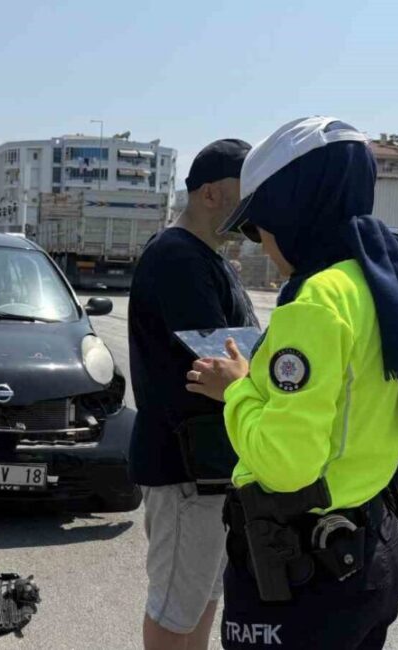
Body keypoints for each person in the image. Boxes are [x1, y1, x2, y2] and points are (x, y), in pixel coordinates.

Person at [187, 117, 398, 649]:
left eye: (257, 225)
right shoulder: (383, 274)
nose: (259, 243)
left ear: (292, 211)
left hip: (305, 577)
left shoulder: (315, 302)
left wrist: (238, 389)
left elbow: (286, 464)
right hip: (370, 546)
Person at [128, 139, 259, 650]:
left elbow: (244, 360)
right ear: (210, 193)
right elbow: (225, 361)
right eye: (244, 192)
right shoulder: (177, 258)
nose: (253, 205)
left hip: (209, 468)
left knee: (202, 598)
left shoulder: (209, 259)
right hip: (185, 469)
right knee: (175, 608)